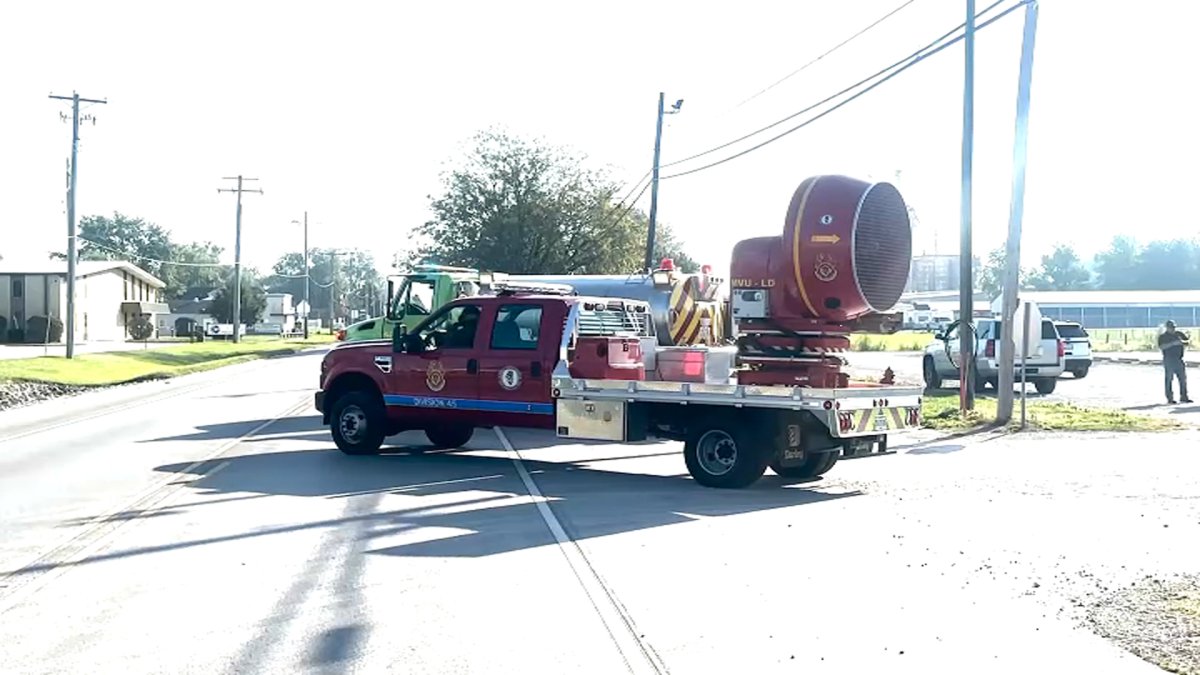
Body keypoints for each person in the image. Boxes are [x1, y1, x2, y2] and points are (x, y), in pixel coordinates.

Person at [1157, 320, 1192, 404]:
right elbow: (1162, 347)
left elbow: (1187, 342)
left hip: (1179, 358)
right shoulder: (1163, 337)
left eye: (1174, 327)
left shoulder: (1179, 334)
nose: (1172, 329)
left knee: (1183, 379)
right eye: (1171, 328)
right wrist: (1173, 343)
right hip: (1169, 359)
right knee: (1169, 379)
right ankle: (1170, 398)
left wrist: (1183, 342)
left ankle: (1184, 396)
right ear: (1167, 328)